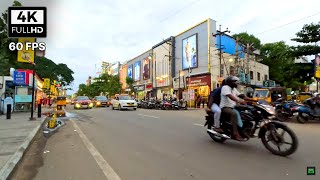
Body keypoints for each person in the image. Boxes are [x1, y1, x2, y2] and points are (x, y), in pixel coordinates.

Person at [220, 76, 248, 141]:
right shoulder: (225, 87)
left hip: (232, 106)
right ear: (230, 82)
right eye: (235, 82)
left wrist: (253, 100)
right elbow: (231, 97)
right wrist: (240, 101)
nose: (237, 83)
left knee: (246, 111)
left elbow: (241, 95)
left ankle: (243, 129)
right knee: (234, 113)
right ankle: (235, 133)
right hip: (225, 107)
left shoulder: (234, 89)